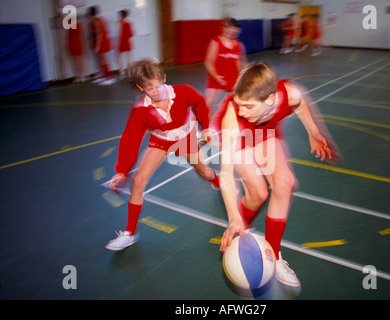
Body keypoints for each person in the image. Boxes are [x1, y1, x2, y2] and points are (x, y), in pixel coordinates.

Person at [213, 62, 341, 287]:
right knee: (258, 194)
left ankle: (272, 256)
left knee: (285, 182)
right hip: (241, 135)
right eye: (239, 104)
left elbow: (300, 104)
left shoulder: (289, 93)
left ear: (270, 99)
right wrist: (233, 216)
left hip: (265, 130)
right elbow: (225, 174)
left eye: (248, 106)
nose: (242, 110)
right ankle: (240, 225)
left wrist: (313, 132)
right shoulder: (234, 115)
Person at [106, 58, 219, 251]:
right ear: (141, 87)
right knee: (139, 180)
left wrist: (206, 127)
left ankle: (217, 180)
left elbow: (200, 103)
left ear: (164, 78)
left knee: (204, 172)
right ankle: (130, 233)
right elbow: (130, 139)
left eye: (158, 85)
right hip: (160, 141)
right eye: (150, 88)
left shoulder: (182, 91)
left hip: (186, 138)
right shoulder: (141, 109)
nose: (156, 91)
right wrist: (122, 171)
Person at [204, 17, 248, 109]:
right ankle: (203, 122)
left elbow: (243, 62)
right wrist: (216, 76)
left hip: (233, 78)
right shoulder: (216, 42)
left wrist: (244, 75)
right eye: (226, 27)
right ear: (222, 28)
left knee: (240, 102)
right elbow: (208, 62)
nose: (229, 30)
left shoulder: (238, 44)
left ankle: (238, 120)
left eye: (232, 27)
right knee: (208, 103)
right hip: (216, 77)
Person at [87, 6, 116, 85]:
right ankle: (102, 76)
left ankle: (109, 77)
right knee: (100, 60)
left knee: (103, 60)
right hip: (99, 42)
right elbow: (95, 34)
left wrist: (97, 46)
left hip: (102, 42)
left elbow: (100, 33)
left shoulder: (97, 21)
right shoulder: (93, 21)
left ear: (91, 14)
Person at [66, 15, 86, 82]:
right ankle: (81, 76)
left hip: (74, 45)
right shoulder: (79, 25)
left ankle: (79, 76)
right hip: (77, 44)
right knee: (78, 61)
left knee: (76, 62)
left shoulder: (72, 26)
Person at [116, 9, 134, 80]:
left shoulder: (120, 23)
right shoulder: (128, 23)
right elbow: (131, 34)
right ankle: (128, 73)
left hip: (122, 42)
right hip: (127, 42)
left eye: (120, 15)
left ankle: (123, 71)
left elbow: (119, 34)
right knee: (128, 58)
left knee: (119, 57)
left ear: (122, 15)